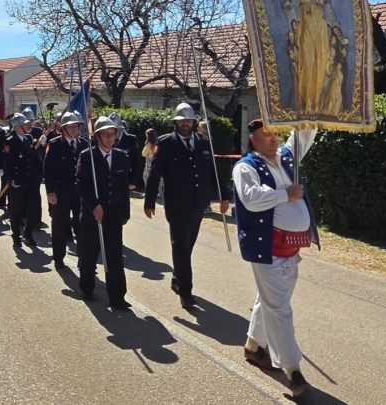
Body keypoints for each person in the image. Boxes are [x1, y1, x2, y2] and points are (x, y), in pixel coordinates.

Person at [232, 120, 318, 397]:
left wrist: (307, 117)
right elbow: (250, 198)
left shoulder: (286, 157)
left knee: (270, 301)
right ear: (253, 139)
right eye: (266, 134)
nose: (273, 138)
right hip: (265, 249)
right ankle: (293, 371)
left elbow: (303, 136)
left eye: (275, 133)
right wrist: (285, 194)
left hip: (291, 248)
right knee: (279, 307)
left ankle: (253, 345)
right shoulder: (245, 167)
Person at [144, 102, 231, 308]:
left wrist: (224, 196)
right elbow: (155, 173)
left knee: (188, 245)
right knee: (180, 246)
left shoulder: (204, 142)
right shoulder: (165, 143)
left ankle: (177, 277)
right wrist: (149, 201)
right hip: (176, 204)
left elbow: (214, 171)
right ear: (175, 122)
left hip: (198, 203)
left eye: (189, 120)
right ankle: (186, 291)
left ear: (194, 122)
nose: (185, 123)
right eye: (181, 120)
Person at [76, 116, 132, 309]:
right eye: (105, 134)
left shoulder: (122, 156)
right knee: (89, 253)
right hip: (93, 214)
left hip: (114, 214)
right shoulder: (87, 156)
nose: (109, 138)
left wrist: (125, 212)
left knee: (114, 255)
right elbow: (82, 185)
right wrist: (94, 206)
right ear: (97, 136)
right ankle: (87, 287)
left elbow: (123, 188)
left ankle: (117, 297)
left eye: (112, 134)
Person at [44, 111, 87, 270]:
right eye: (71, 127)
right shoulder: (54, 144)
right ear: (63, 129)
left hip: (80, 192)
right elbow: (48, 170)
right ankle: (59, 258)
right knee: (60, 226)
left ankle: (84, 259)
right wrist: (50, 192)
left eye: (76, 126)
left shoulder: (84, 144)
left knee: (82, 226)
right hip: (60, 192)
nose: (75, 129)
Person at [3, 113, 43, 249]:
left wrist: (40, 174)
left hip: (31, 180)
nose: (28, 126)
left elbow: (34, 158)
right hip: (18, 181)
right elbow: (8, 163)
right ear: (18, 126)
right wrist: (11, 179)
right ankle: (16, 236)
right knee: (16, 211)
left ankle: (28, 233)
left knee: (32, 209)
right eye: (25, 124)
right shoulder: (10, 141)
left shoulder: (28, 138)